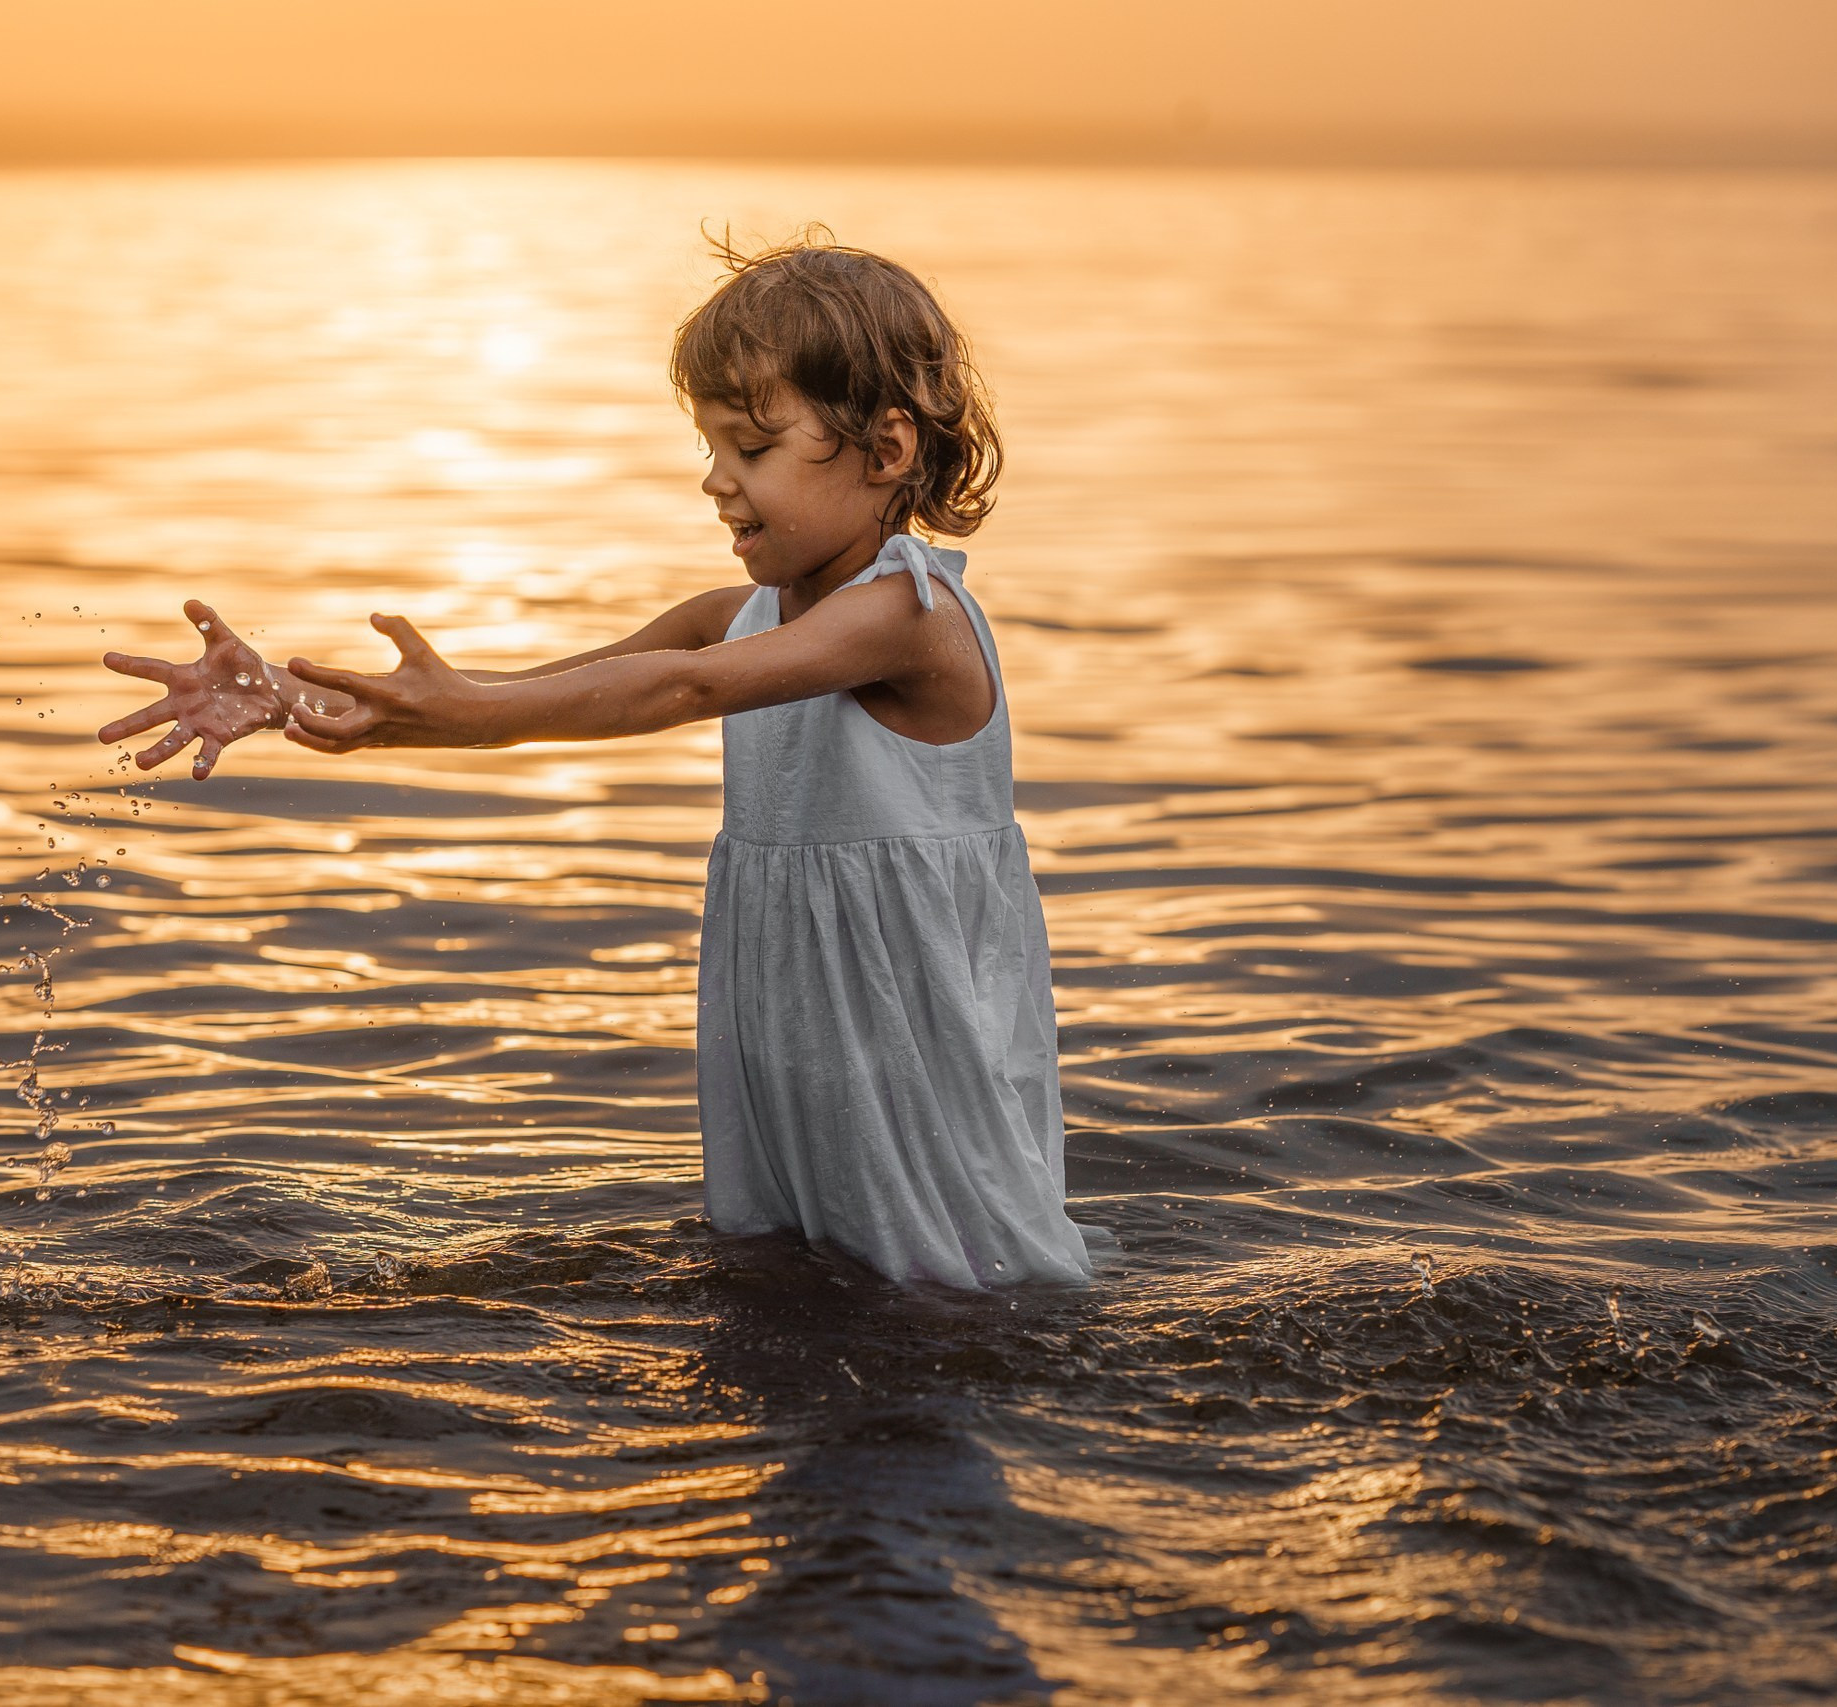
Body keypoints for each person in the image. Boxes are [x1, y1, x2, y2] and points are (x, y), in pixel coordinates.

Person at [97, 237, 1099, 1288]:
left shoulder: (912, 618)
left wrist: (474, 711)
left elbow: (680, 690)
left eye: (751, 447)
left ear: (885, 450)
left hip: (906, 1026)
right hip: (802, 1020)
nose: (716, 480)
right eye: (709, 445)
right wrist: (290, 698)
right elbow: (518, 704)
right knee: (804, 1279)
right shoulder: (738, 616)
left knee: (949, 1287)